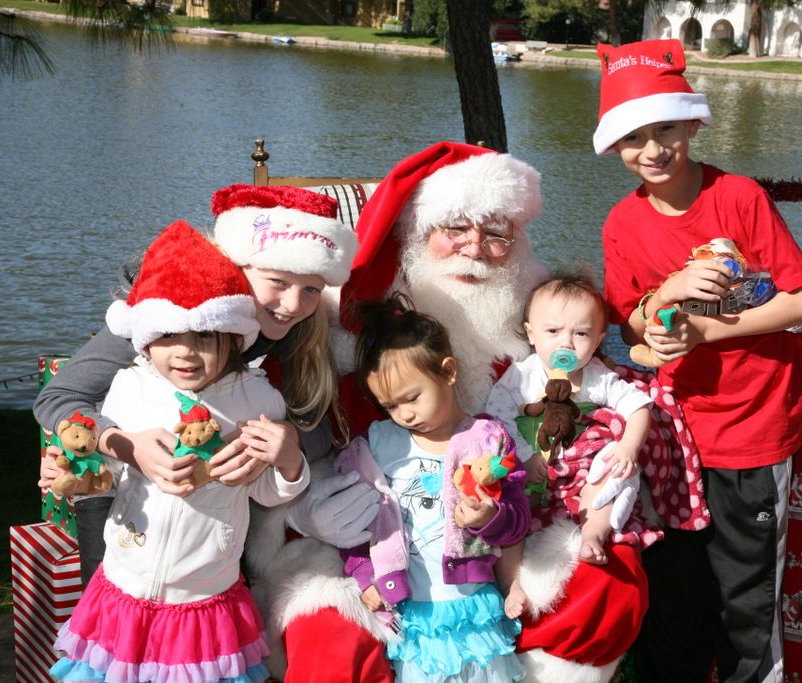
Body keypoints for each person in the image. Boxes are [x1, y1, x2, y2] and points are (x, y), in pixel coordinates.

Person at [250, 142, 651, 683]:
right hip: (368, 543)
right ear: (419, 232)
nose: (475, 250)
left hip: (513, 523)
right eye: (455, 229)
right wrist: (306, 508)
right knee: (329, 641)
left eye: (496, 234)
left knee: (607, 587)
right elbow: (293, 433)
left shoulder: (541, 325)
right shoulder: (350, 332)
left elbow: (597, 409)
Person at [594, 39, 802, 683]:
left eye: (665, 128)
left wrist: (707, 333)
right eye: (633, 138)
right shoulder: (622, 222)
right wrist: (663, 310)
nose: (652, 150)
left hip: (750, 427)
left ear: (693, 122)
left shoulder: (739, 197)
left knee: (745, 597)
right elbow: (632, 319)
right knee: (677, 592)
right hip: (672, 434)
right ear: (614, 147)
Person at [33, 184, 370, 589]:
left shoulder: (298, 330)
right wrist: (121, 443)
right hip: (119, 497)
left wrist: (285, 440)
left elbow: (320, 424)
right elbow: (60, 396)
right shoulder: (162, 312)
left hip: (213, 521)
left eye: (311, 289)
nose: (294, 304)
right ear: (236, 268)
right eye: (277, 281)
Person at [49, 220, 312, 683]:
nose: (186, 353)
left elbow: (271, 491)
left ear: (233, 335)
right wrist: (81, 465)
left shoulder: (258, 400)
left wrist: (288, 458)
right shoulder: (129, 386)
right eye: (168, 336)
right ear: (145, 338)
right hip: (123, 586)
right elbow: (103, 466)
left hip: (205, 598)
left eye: (205, 337)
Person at [336, 294, 530, 682]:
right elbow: (356, 522)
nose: (405, 414)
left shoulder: (486, 438)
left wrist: (489, 517)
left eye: (412, 398)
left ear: (449, 372)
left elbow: (519, 520)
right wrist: (364, 576)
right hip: (413, 611)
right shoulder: (378, 444)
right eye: (389, 405)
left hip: (474, 604)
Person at [485, 274, 654, 615]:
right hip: (533, 472)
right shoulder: (522, 376)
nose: (566, 343)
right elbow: (495, 419)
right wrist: (526, 454)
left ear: (598, 340)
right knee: (510, 517)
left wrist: (627, 449)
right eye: (553, 332)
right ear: (531, 333)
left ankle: (593, 534)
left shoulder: (596, 377)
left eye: (580, 333)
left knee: (607, 477)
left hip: (580, 476)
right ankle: (511, 584)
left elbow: (639, 406)